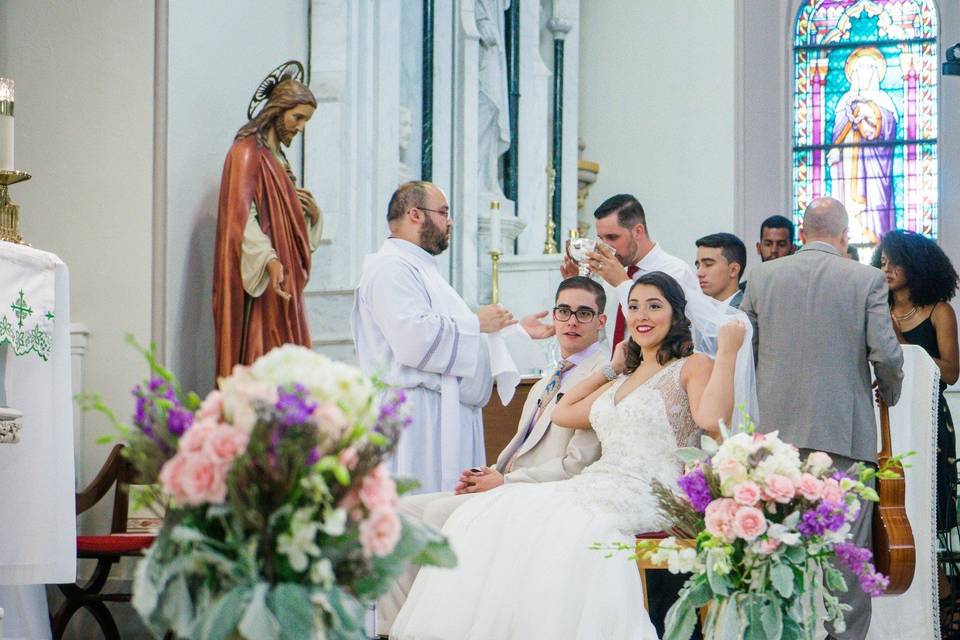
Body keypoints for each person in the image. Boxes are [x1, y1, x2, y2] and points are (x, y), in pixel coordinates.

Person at [391, 272, 746, 640]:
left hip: (652, 489)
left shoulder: (692, 365)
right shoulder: (626, 378)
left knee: (575, 526)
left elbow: (711, 420)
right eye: (635, 306)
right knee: (492, 511)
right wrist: (611, 369)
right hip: (600, 480)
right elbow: (563, 412)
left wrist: (729, 353)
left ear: (676, 315)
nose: (642, 315)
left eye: (654, 306)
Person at [376, 276, 608, 636]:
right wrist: (489, 472)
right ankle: (393, 631)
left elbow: (575, 464)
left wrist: (505, 481)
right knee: (399, 513)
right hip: (506, 483)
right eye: (564, 311)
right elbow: (523, 442)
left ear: (601, 321)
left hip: (541, 494)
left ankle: (442, 630)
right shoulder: (553, 373)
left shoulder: (601, 378)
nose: (572, 321)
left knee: (440, 514)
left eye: (583, 313)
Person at [740, 196, 903, 640]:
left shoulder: (763, 276)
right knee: (845, 559)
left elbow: (744, 354)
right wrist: (889, 392)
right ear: (845, 236)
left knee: (779, 553)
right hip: (842, 437)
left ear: (802, 233)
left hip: (775, 444)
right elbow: (885, 355)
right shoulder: (866, 279)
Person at [351, 181, 552, 495]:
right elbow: (414, 341)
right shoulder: (390, 269)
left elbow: (458, 340)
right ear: (415, 214)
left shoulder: (422, 270)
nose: (450, 222)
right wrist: (475, 322)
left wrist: (517, 333)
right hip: (415, 420)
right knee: (419, 508)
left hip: (439, 412)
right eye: (443, 212)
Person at [213, 65, 324, 379]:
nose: (300, 127)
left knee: (290, 360)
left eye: (306, 121)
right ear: (277, 111)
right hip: (262, 280)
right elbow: (242, 218)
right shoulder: (247, 153)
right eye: (297, 118)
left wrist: (313, 216)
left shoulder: (279, 158)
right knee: (264, 352)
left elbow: (283, 219)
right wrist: (270, 260)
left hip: (285, 277)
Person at [872, 231, 958, 534]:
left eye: (896, 264)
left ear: (917, 266)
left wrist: (901, 343)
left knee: (924, 516)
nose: (887, 270)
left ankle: (933, 580)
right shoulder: (876, 309)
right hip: (885, 414)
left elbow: (950, 373)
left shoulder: (938, 311)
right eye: (883, 262)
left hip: (927, 415)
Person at [561, 194, 698, 352]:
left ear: (638, 231)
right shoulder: (613, 275)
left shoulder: (674, 271)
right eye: (601, 239)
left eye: (612, 237)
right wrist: (579, 290)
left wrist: (622, 284)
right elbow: (601, 337)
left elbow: (668, 335)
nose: (605, 247)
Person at [827, 47, 898, 244]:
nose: (865, 73)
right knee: (850, 207)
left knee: (876, 206)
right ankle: (851, 238)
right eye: (860, 69)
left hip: (876, 166)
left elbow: (889, 130)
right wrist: (835, 148)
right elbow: (837, 133)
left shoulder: (884, 100)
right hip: (850, 166)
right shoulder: (845, 101)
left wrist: (871, 112)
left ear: (876, 72)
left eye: (869, 68)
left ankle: (879, 245)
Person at [695, 232, 747, 308]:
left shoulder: (746, 312)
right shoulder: (696, 311)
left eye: (708, 264)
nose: (699, 273)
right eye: (698, 266)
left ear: (733, 270)